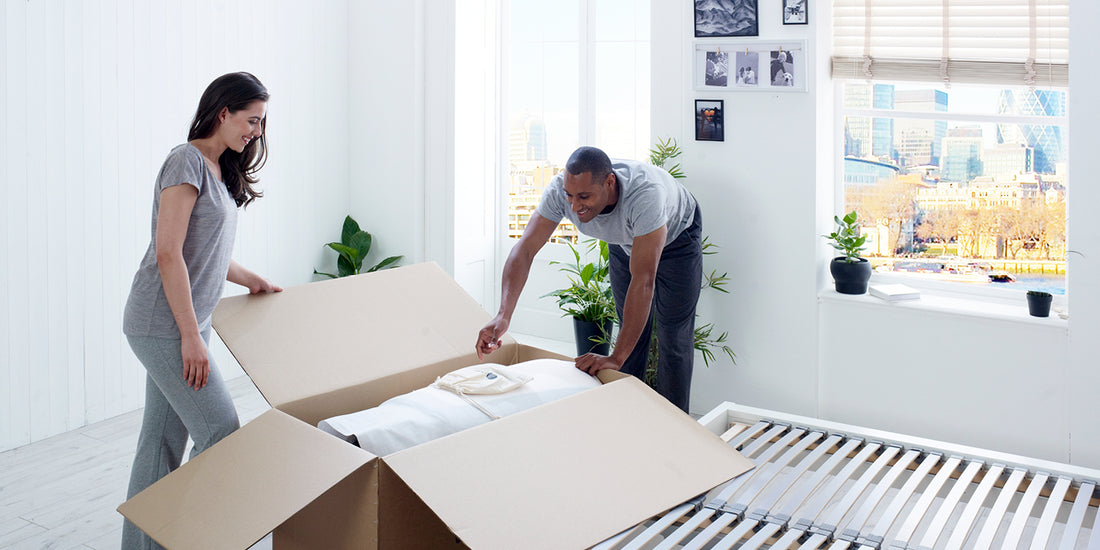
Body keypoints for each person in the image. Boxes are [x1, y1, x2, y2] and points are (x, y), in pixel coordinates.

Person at [120, 72, 282, 549]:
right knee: (221, 431)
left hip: (185, 324)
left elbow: (204, 251)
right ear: (223, 111)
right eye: (251, 120)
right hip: (163, 324)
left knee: (160, 444)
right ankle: (184, 532)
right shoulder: (185, 162)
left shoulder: (218, 169)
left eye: (261, 123)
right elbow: (168, 253)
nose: (255, 131)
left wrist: (251, 279)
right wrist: (192, 337)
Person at [475, 146, 702, 412]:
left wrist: (615, 358)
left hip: (678, 239)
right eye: (570, 196)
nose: (574, 206)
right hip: (622, 239)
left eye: (584, 196)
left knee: (673, 336)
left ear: (609, 182)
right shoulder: (560, 191)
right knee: (630, 333)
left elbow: (644, 280)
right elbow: (525, 249)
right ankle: (628, 416)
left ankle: (674, 429)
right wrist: (503, 315)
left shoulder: (645, 195)